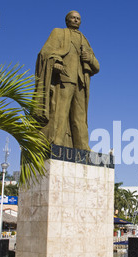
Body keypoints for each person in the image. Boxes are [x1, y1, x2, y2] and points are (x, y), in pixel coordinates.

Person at [35, 10, 100, 151]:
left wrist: (90, 59)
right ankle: (56, 141)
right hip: (65, 78)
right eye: (73, 18)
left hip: (81, 82)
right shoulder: (58, 33)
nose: (76, 20)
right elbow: (45, 52)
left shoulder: (85, 39)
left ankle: (82, 146)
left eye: (78, 18)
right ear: (67, 20)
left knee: (80, 117)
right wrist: (56, 61)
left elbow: (97, 66)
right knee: (60, 111)